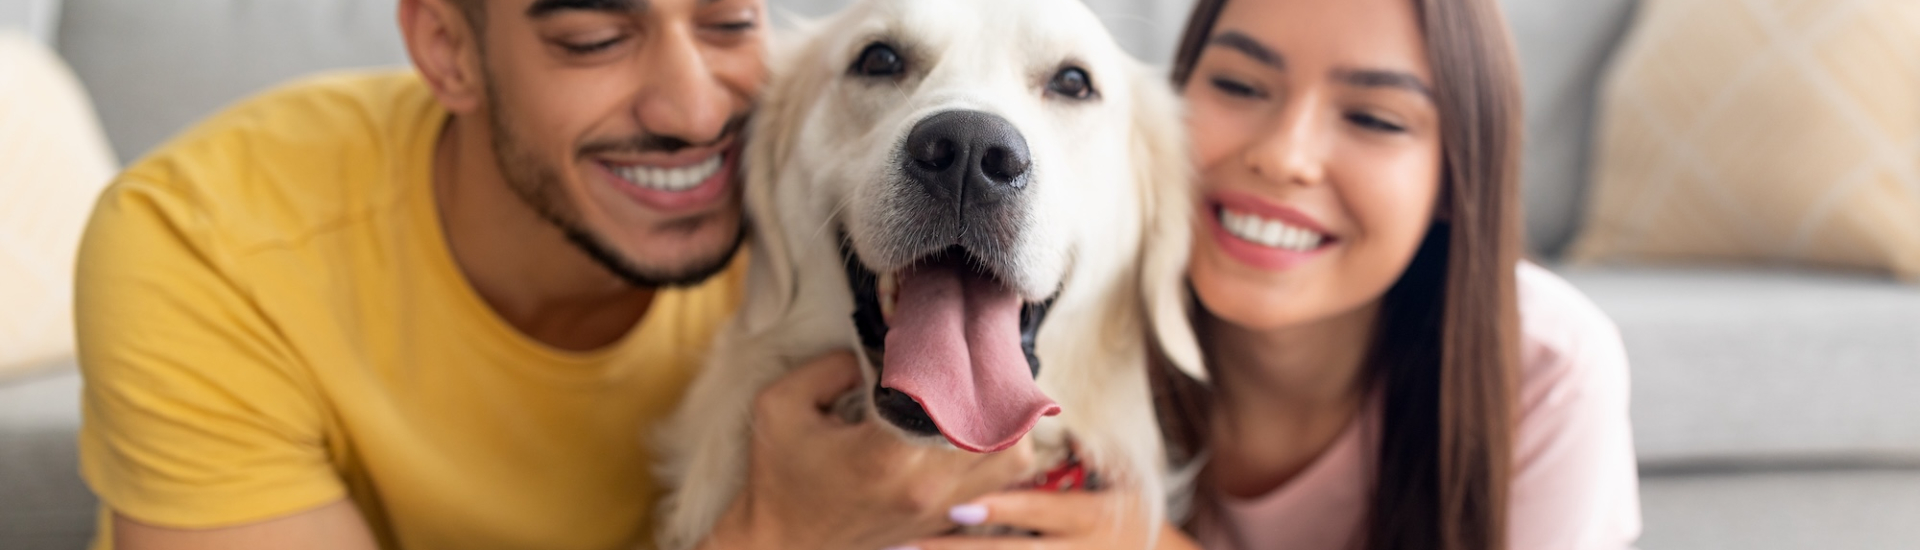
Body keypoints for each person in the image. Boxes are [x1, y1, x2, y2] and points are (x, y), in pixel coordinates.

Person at [72, 0, 1033, 548]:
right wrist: (779, 533)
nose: (696, 113)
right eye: (594, 38)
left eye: (730, 22)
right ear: (448, 51)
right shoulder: (199, 245)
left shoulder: (816, 175)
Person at [913, 0, 1641, 549]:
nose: (1284, 156)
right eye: (1238, 84)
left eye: (1376, 119)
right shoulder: (1042, 312)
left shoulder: (1547, 365)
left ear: (1455, 179)